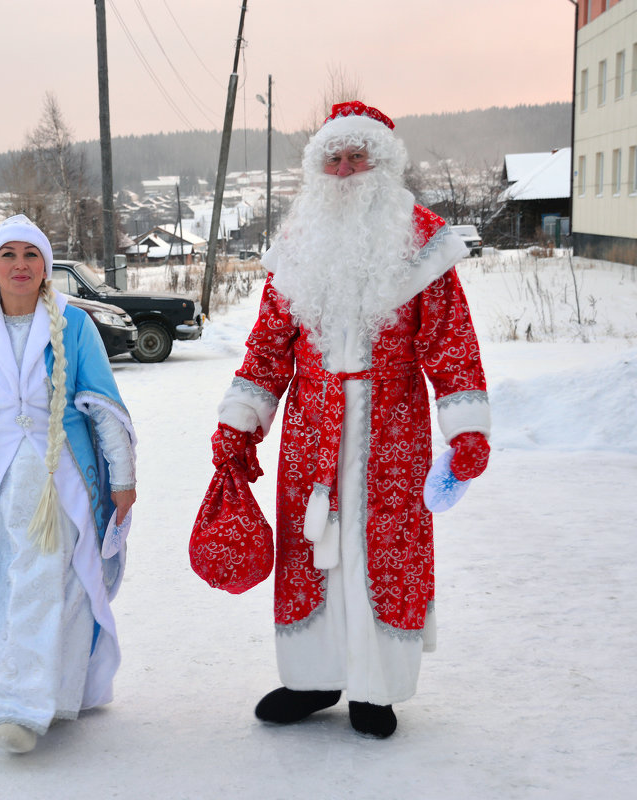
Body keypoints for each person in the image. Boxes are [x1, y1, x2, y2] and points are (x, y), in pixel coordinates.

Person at [202, 101, 491, 739]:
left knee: (381, 550)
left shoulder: (422, 243)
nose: (346, 167)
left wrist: (466, 428)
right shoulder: (298, 246)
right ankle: (314, 679)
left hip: (392, 428)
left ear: (384, 162)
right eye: (334, 157)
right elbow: (269, 345)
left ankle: (374, 688)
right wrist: (241, 420)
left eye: (358, 155)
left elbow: (451, 343)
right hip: (311, 428)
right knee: (311, 552)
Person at [0, 215, 137, 754]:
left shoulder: (74, 326)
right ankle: (45, 694)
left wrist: (123, 478)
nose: (20, 265)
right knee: (16, 582)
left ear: (46, 267)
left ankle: (27, 703)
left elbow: (104, 406)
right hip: (0, 485)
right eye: (7, 255)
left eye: (31, 255)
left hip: (64, 480)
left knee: (57, 579)